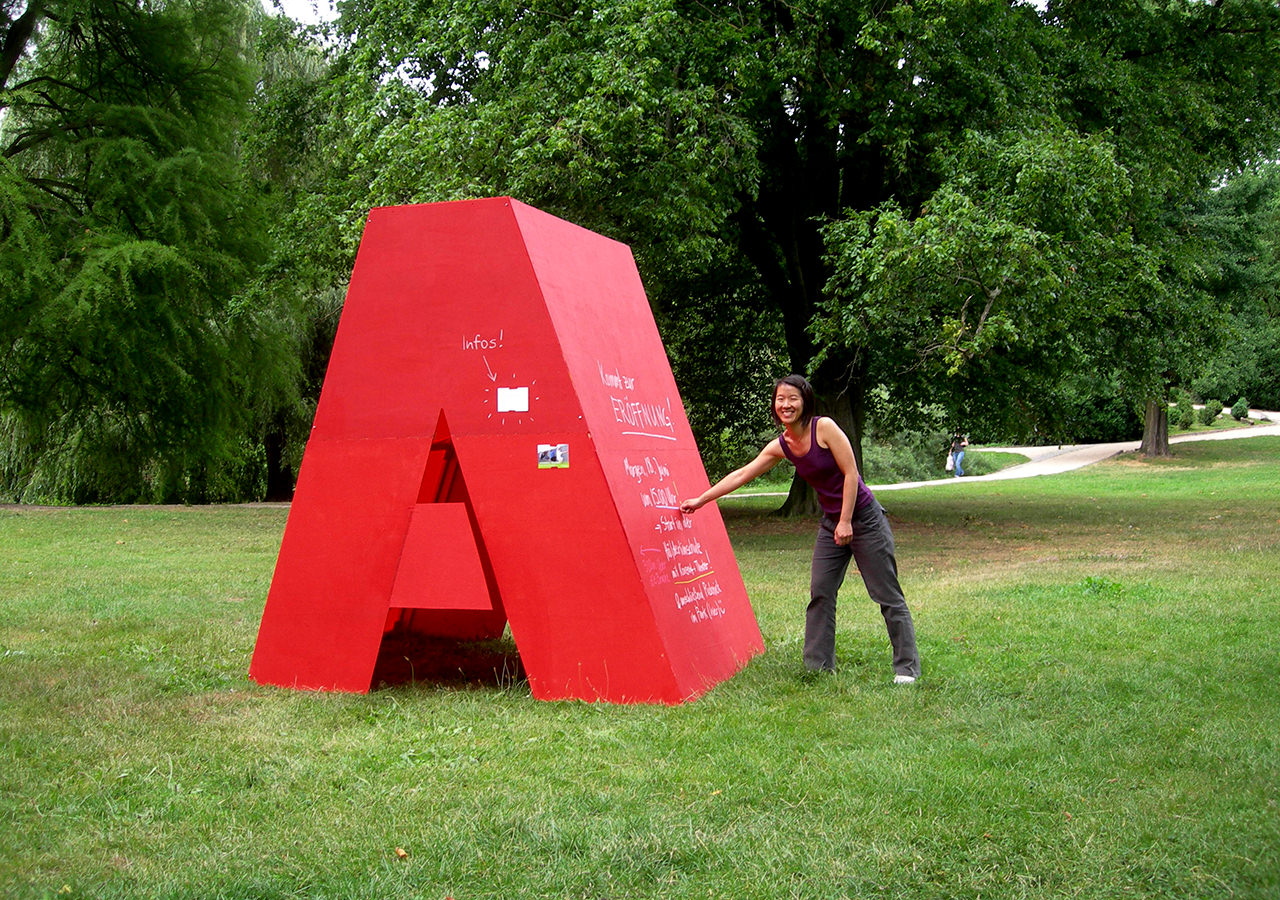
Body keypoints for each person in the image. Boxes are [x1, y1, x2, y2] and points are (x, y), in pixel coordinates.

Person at [680, 375, 921, 684]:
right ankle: (818, 667)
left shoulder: (825, 428)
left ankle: (906, 669)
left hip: (864, 518)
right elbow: (742, 474)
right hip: (832, 522)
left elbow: (851, 474)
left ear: (805, 401)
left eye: (792, 398)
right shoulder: (782, 445)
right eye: (780, 399)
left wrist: (846, 520)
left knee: (886, 593)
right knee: (821, 591)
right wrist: (701, 500)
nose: (786, 404)